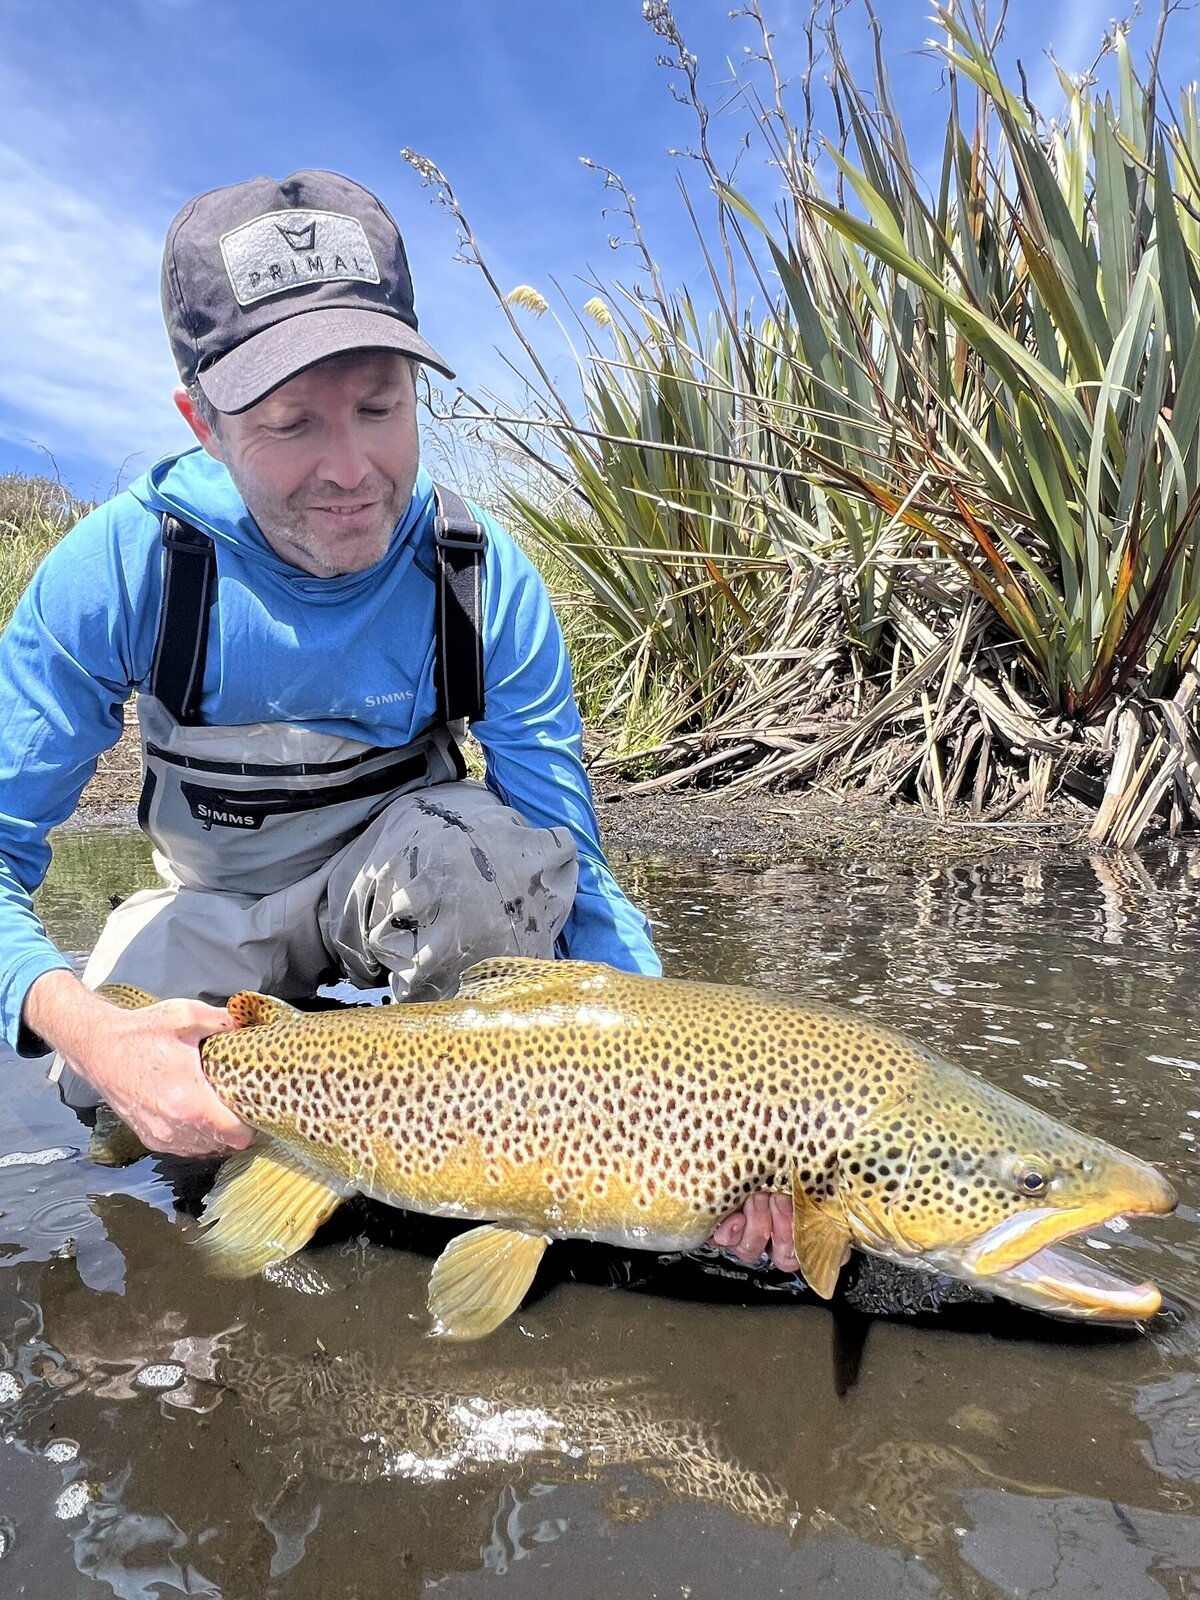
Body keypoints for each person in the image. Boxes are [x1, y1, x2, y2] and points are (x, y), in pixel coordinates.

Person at [0, 169, 794, 1271]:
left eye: (382, 408)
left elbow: (573, 866)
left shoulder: (478, 575)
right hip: (219, 907)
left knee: (491, 862)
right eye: (289, 423)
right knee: (106, 1095)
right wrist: (95, 1029)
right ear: (204, 422)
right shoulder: (122, 568)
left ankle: (424, 1142)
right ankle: (287, 1099)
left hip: (413, 898)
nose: (350, 469)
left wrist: (693, 1109)